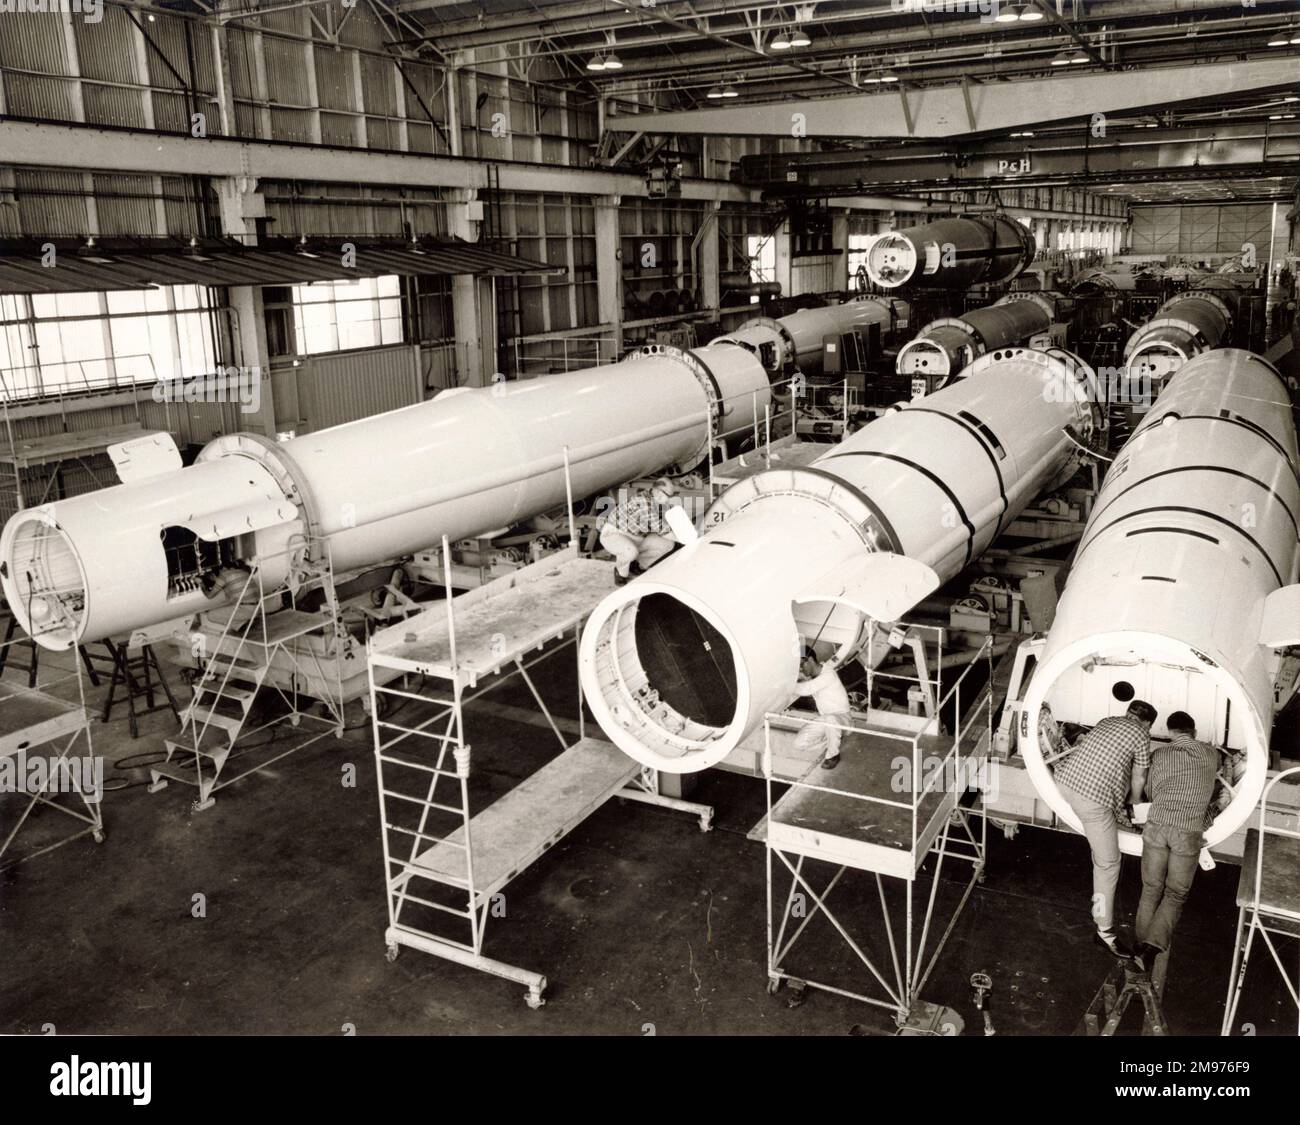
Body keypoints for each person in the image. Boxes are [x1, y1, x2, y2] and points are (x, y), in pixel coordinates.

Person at [1051, 699, 1157, 959]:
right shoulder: (1142, 734)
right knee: (1108, 863)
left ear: (1127, 713)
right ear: (1147, 723)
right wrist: (1134, 801)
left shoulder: (1107, 721)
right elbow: (1140, 775)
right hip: (1092, 801)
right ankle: (1104, 931)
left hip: (1065, 782)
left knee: (1103, 838)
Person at [1134, 711, 1222, 965]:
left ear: (1170, 732)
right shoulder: (1210, 754)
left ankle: (1140, 947)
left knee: (1151, 889)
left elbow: (1149, 791)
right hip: (1188, 832)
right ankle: (1151, 949)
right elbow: (1212, 782)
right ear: (1193, 731)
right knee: (1175, 894)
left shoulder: (1159, 755)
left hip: (1157, 826)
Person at [598, 478, 679, 586]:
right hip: (613, 534)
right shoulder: (643, 502)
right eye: (669, 496)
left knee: (667, 544)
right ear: (659, 493)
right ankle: (620, 572)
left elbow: (663, 527)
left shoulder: (653, 498)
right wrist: (686, 540)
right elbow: (663, 530)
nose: (669, 500)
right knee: (630, 551)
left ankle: (637, 565)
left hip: (634, 536)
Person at [792, 649, 852, 770]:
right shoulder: (813, 675)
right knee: (798, 744)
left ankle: (833, 755)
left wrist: (786, 685)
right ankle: (833, 738)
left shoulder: (828, 674)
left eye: (801, 665)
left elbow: (805, 689)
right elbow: (801, 679)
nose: (800, 669)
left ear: (810, 660)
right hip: (826, 721)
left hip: (843, 719)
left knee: (830, 719)